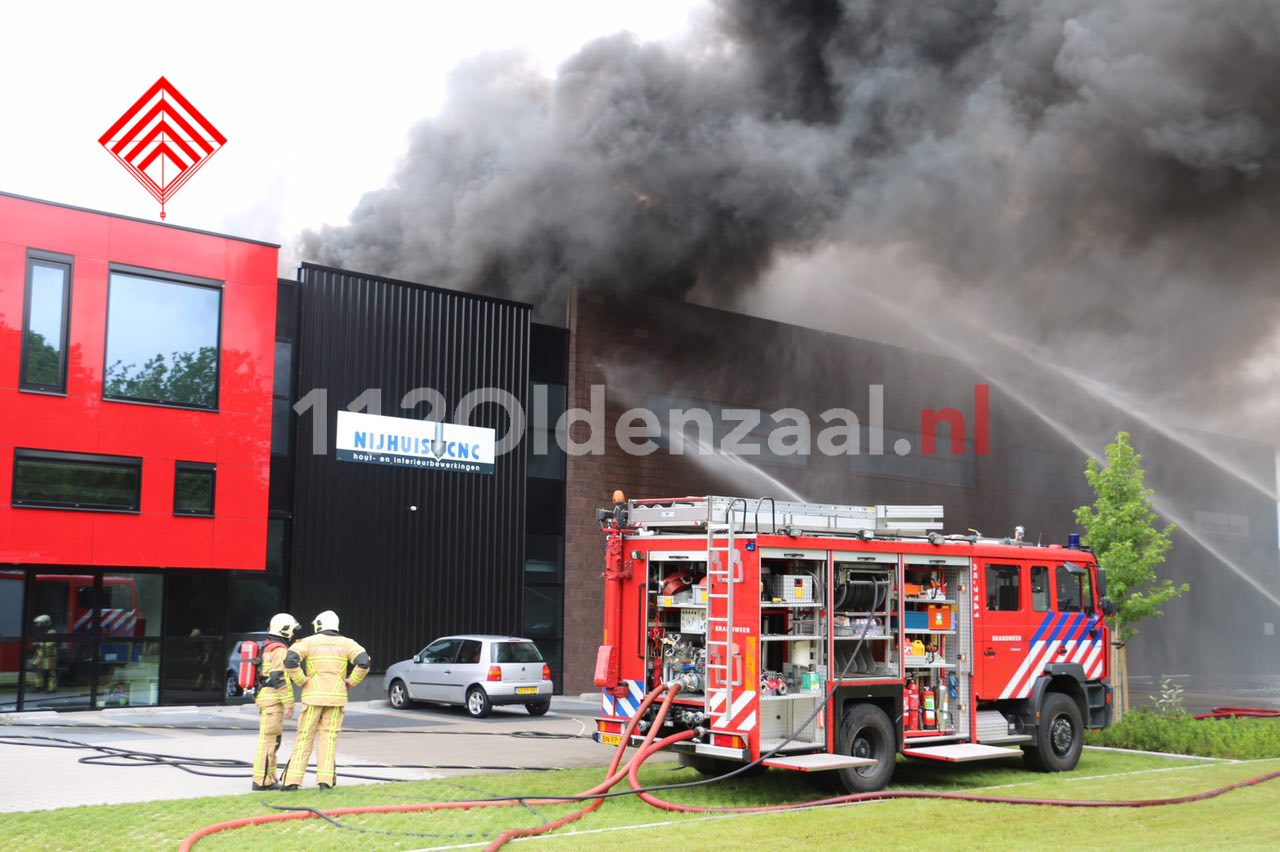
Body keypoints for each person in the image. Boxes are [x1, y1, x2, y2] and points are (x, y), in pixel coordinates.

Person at [280, 610, 370, 790]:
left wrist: (301, 680)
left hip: (313, 698)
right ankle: (325, 782)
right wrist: (351, 682)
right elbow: (364, 661)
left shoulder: (308, 642)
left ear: (318, 624)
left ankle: (292, 782)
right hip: (336, 699)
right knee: (328, 740)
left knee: (304, 738)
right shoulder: (348, 644)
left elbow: (290, 660)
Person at [252, 613, 300, 791]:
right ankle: (261, 780)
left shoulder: (268, 646)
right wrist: (289, 703)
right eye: (292, 631)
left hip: (266, 697)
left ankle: (268, 778)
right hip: (273, 700)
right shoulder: (279, 649)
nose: (293, 635)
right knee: (269, 740)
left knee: (272, 740)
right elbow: (279, 677)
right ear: (285, 629)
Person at [30, 615, 57, 693]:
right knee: (37, 669)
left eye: (38, 623)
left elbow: (51, 643)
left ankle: (52, 688)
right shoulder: (40, 631)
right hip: (40, 655)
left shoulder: (51, 632)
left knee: (50, 672)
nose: (36, 625)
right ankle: (39, 685)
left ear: (45, 623)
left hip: (49, 656)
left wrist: (39, 644)